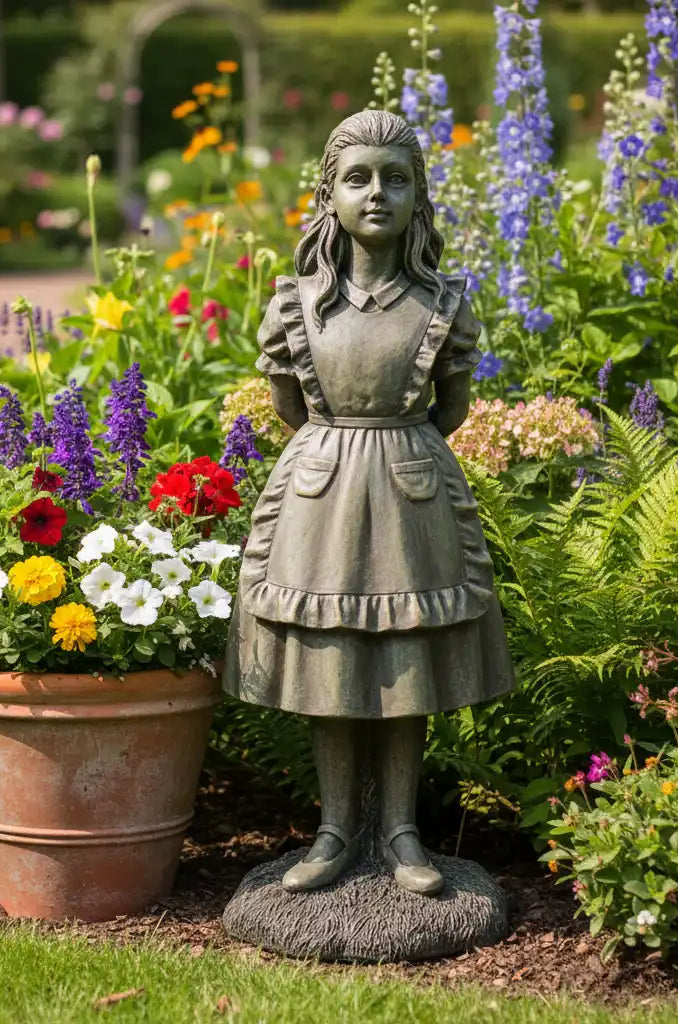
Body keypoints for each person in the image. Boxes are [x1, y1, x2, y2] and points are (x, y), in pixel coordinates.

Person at [223, 110, 516, 897]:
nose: (376, 193)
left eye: (396, 177)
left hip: (411, 486)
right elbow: (289, 406)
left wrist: (390, 443)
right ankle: (332, 828)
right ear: (329, 196)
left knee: (404, 655)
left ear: (420, 195)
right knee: (333, 656)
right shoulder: (296, 307)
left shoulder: (443, 305)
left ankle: (401, 829)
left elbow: (449, 410)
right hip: (320, 488)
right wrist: (344, 442)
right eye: (358, 178)